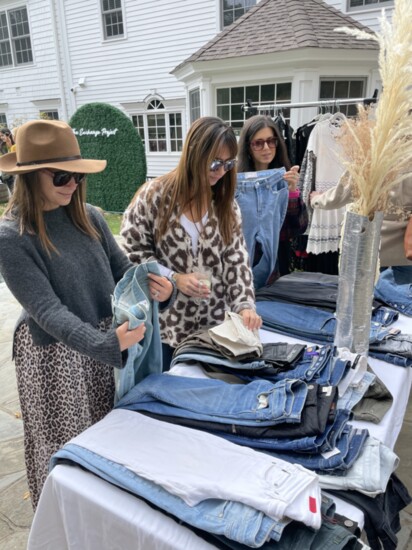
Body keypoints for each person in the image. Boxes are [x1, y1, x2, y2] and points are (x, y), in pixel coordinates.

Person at [0, 119, 149, 508]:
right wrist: (104, 344)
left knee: (109, 439)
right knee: (66, 451)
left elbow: (122, 272)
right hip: (55, 356)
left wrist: (154, 285)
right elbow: (47, 310)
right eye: (63, 177)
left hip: (102, 346)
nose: (73, 186)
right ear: (30, 177)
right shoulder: (12, 237)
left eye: (77, 177)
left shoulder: (91, 216)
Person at [121, 116, 262, 369]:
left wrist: (244, 305)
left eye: (228, 164)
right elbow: (133, 254)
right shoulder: (153, 196)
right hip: (165, 327)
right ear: (194, 153)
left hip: (214, 331)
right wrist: (175, 278)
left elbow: (236, 260)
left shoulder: (224, 204)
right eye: (214, 163)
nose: (221, 172)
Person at [237, 115, 308, 279]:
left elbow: (298, 227)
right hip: (240, 259)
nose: (266, 148)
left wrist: (291, 192)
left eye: (271, 141)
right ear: (248, 146)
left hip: (278, 259)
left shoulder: (284, 178)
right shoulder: (235, 181)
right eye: (258, 143)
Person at [0, 127, 16, 193]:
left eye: (2, 135)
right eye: (0, 136)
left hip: (15, 170)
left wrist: (10, 145)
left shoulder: (14, 145)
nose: (1, 137)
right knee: (12, 191)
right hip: (7, 173)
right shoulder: (2, 146)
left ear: (7, 134)